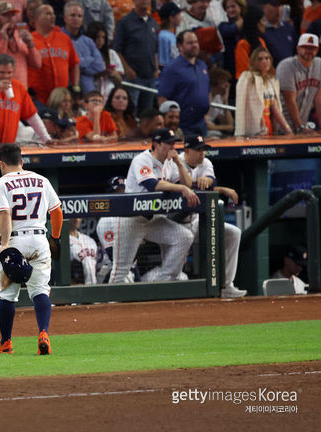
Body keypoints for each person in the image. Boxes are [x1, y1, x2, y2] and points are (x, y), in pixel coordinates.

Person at [0, 143, 63, 355]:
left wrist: (4, 245)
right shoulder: (42, 180)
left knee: (7, 295)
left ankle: (6, 342)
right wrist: (55, 239)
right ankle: (43, 332)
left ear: (1, 163)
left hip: (15, 241)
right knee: (40, 291)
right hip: (40, 239)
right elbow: (57, 212)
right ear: (22, 161)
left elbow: (3, 214)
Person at [109, 128, 199, 284]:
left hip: (153, 220)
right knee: (121, 271)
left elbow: (188, 184)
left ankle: (163, 281)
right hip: (131, 220)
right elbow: (152, 185)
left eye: (174, 144)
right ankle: (108, 306)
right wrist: (182, 189)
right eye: (169, 144)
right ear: (156, 144)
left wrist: (178, 162)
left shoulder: (171, 163)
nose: (173, 147)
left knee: (184, 237)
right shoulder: (142, 159)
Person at [177, 135, 246, 298]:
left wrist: (209, 182)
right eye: (198, 150)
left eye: (203, 150)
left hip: (195, 221)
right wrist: (221, 189)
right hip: (175, 223)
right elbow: (185, 189)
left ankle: (227, 285)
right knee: (174, 273)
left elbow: (210, 182)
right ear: (187, 151)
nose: (202, 154)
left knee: (234, 233)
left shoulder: (205, 163)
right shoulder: (177, 163)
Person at [158, 30, 210, 136]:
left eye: (196, 42)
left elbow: (207, 91)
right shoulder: (172, 68)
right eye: (190, 43)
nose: (194, 45)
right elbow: (162, 99)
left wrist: (207, 115)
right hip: (183, 125)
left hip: (201, 123)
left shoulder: (202, 65)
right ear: (179, 46)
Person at [113, 0, 159, 116]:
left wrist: (156, 68)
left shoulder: (153, 23)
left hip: (150, 76)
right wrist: (127, 69)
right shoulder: (124, 22)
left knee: (147, 114)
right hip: (133, 76)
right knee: (131, 112)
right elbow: (117, 50)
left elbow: (155, 50)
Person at [27, 4, 80, 105]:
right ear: (37, 18)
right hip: (38, 97)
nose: (53, 17)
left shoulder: (64, 38)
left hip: (62, 98)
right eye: (48, 14)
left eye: (53, 14)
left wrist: (75, 86)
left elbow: (74, 64)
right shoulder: (29, 40)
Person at [0, 0, 41, 88]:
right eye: (5, 15)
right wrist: (4, 40)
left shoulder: (19, 34)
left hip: (22, 91)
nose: (10, 18)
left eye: (13, 14)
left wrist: (30, 44)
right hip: (0, 93)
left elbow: (37, 64)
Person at [277, 33, 321, 134]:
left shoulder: (319, 64)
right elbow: (289, 100)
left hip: (302, 126)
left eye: (312, 48)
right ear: (298, 48)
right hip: (282, 127)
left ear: (317, 50)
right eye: (305, 47)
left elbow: (320, 97)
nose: (309, 51)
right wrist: (299, 128)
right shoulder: (286, 66)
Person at [236, 47, 292, 136]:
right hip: (254, 126)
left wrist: (287, 129)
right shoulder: (248, 78)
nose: (264, 61)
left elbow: (275, 108)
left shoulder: (272, 81)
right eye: (260, 59)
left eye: (267, 58)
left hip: (268, 123)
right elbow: (253, 106)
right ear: (254, 61)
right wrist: (262, 128)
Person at [62, 1, 105, 94]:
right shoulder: (58, 38)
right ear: (65, 18)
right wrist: (89, 60)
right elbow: (63, 65)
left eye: (79, 16)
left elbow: (100, 66)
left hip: (88, 92)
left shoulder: (88, 41)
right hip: (66, 91)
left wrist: (76, 66)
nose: (76, 19)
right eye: (72, 15)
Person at [85, 21, 124, 103]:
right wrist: (101, 73)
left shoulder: (111, 54)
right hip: (91, 96)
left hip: (109, 97)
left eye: (103, 37)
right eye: (97, 37)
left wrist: (114, 74)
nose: (100, 40)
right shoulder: (85, 54)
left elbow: (120, 81)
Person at [262, 0, 296, 67]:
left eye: (280, 5)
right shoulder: (261, 30)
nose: (278, 9)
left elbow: (296, 50)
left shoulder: (288, 27)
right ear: (264, 7)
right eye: (274, 5)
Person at [234, 6, 266, 79]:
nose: (265, 24)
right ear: (255, 22)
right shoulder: (242, 44)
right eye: (263, 20)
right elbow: (243, 72)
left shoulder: (261, 41)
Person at [218, 0, 246, 78]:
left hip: (247, 65)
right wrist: (244, 19)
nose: (230, 10)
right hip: (231, 68)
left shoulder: (248, 25)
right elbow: (230, 30)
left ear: (241, 7)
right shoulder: (223, 26)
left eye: (233, 6)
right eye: (227, 8)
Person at [69, 217, 99, 285]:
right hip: (77, 288)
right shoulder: (63, 242)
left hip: (95, 285)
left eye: (78, 216)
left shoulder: (90, 240)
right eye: (73, 217)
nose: (76, 219)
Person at [158, 2, 182, 70]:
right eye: (179, 14)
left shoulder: (172, 35)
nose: (181, 17)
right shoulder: (163, 37)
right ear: (171, 17)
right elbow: (163, 63)